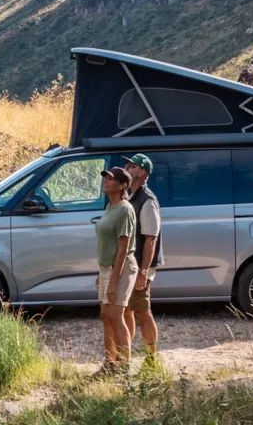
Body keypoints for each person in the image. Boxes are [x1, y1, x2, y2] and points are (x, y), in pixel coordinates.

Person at [94, 166, 139, 376]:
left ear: (122, 186)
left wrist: (113, 280)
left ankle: (124, 367)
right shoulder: (110, 207)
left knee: (116, 314)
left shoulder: (125, 209)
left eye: (111, 179)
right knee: (105, 315)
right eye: (106, 178)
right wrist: (101, 274)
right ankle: (109, 363)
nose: (106, 181)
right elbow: (107, 244)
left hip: (121, 268)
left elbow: (123, 249)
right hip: (106, 269)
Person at [123, 154, 164, 365]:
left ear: (142, 172)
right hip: (133, 265)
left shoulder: (147, 201)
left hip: (141, 267)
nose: (126, 168)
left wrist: (144, 272)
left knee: (142, 310)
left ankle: (151, 359)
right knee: (127, 310)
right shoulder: (133, 197)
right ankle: (126, 356)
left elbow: (151, 240)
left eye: (131, 166)